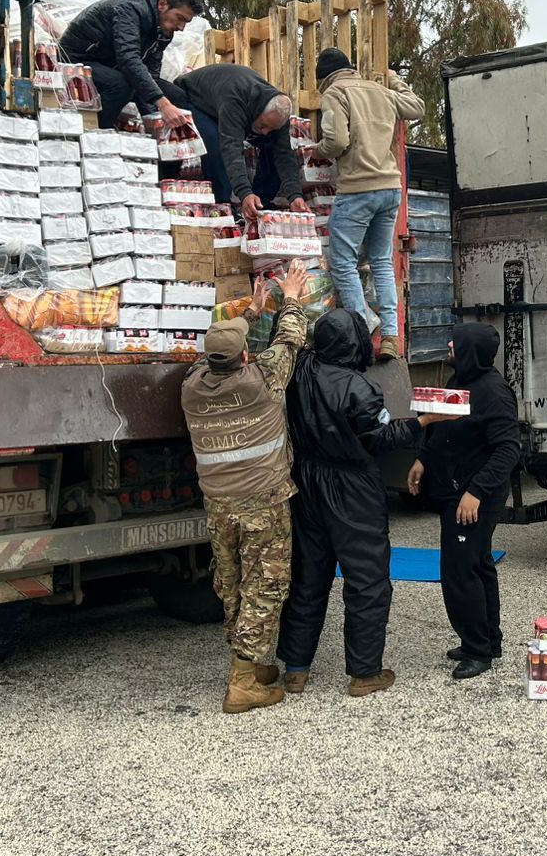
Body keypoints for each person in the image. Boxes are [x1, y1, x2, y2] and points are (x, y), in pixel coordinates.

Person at [275, 309, 456, 697]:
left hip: (306, 480)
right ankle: (363, 672)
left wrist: (285, 304)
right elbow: (380, 440)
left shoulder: (299, 370)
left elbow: (290, 339)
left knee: (307, 575)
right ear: (355, 344)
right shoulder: (360, 388)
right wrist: (422, 422)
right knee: (367, 579)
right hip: (352, 485)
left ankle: (295, 667)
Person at [179, 260, 310, 714]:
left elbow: (214, 349)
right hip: (264, 503)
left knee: (231, 584)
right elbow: (291, 339)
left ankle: (251, 665)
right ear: (246, 355)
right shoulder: (262, 381)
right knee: (267, 586)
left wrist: (251, 310)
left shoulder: (192, 387)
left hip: (220, 506)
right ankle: (242, 682)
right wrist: (288, 297)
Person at [407, 323, 522, 679]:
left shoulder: (494, 392)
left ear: (471, 349)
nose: (450, 344)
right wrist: (423, 458)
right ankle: (489, 639)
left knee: (460, 572)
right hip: (454, 489)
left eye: (456, 341)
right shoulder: (459, 382)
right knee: (479, 564)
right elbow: (442, 428)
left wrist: (476, 491)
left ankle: (477, 651)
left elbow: (508, 449)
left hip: (473, 497)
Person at [315, 48, 426, 361]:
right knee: (380, 262)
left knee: (342, 261)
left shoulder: (334, 93)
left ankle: (360, 334)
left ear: (323, 78)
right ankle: (389, 335)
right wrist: (396, 80)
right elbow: (417, 107)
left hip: (358, 189)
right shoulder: (382, 91)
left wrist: (317, 149)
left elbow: (335, 142)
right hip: (390, 188)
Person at [58, 0, 203, 129]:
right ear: (162, 4)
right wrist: (163, 104)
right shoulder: (130, 9)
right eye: (180, 18)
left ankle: (161, 141)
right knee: (122, 84)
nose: (181, 27)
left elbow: (151, 73)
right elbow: (128, 59)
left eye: (186, 22)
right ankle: (97, 133)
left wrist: (153, 120)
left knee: (175, 94)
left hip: (111, 66)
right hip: (76, 60)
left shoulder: (164, 30)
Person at [174, 62, 309, 214]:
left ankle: (261, 201)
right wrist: (244, 193)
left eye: (271, 128)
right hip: (192, 97)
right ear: (257, 111)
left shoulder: (278, 117)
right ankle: (223, 205)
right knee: (214, 141)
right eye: (263, 125)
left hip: (225, 102)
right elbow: (231, 147)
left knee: (271, 142)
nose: (265, 131)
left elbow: (284, 154)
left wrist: (295, 195)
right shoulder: (236, 100)